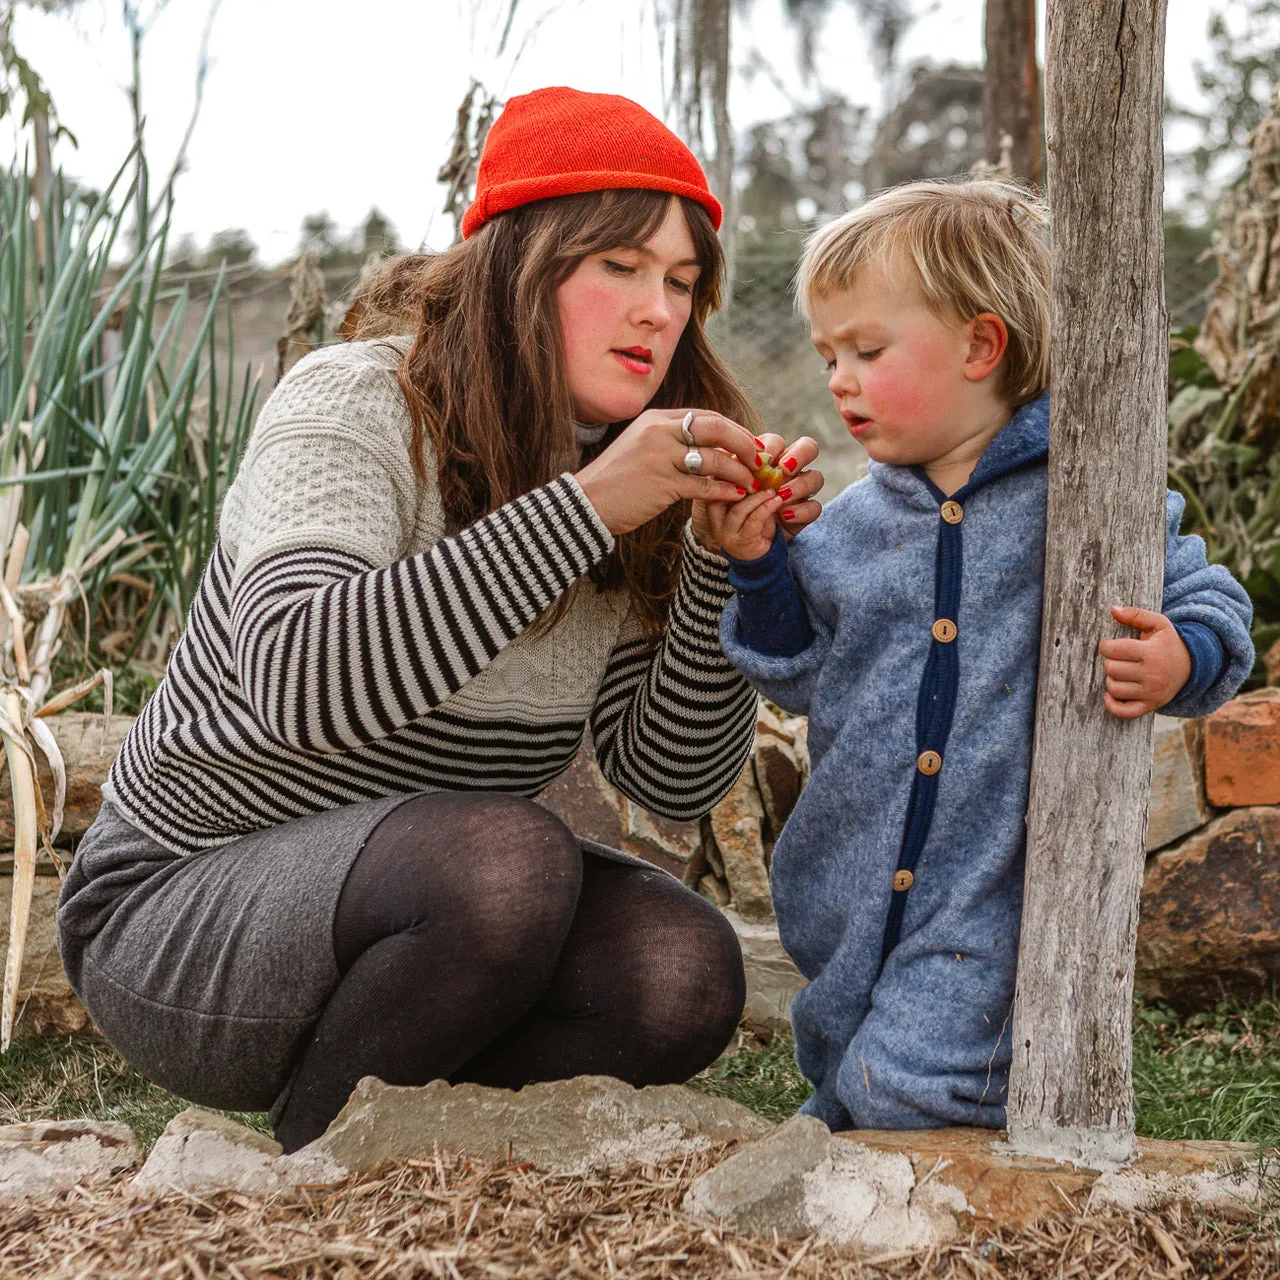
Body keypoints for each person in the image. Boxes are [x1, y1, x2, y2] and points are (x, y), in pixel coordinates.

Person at [55, 86, 826, 1153]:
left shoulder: (620, 461)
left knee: (680, 967)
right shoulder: (353, 406)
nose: (659, 310)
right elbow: (298, 684)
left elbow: (671, 779)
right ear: (522, 261)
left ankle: (426, 1158)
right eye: (619, 266)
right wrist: (593, 503)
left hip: (426, 926)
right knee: (507, 859)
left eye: (682, 281)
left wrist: (714, 564)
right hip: (177, 911)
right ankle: (314, 1167)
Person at [711, 179, 1254, 1132]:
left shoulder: (1091, 494)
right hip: (846, 885)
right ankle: (847, 1127)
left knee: (902, 1089)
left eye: (868, 351)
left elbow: (1209, 599)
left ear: (981, 344)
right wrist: (760, 565)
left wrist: (1181, 657)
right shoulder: (849, 527)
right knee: (846, 1050)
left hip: (989, 895)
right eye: (827, 354)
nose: (838, 378)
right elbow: (794, 673)